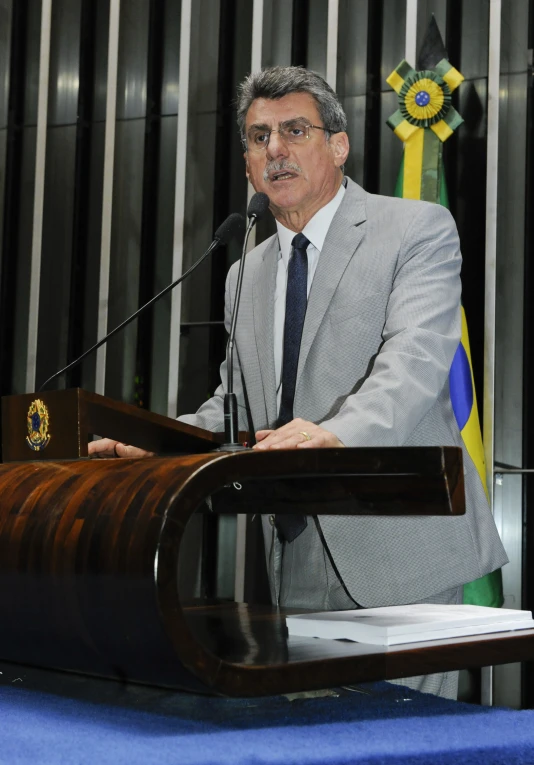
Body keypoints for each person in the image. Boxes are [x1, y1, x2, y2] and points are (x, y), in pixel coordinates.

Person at [89, 66, 508, 699]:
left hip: (397, 545)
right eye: (258, 138)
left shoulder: (415, 229)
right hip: (289, 548)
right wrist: (159, 445)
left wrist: (335, 434)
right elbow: (234, 402)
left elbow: (416, 362)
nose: (274, 150)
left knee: (404, 741)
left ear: (338, 145)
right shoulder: (244, 272)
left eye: (293, 130)